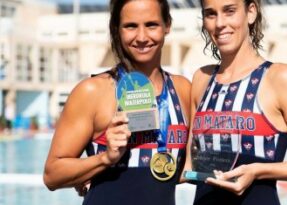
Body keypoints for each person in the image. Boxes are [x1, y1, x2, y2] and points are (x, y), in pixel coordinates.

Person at [182, 0, 287, 204]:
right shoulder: (201, 79)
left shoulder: (280, 78)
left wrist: (258, 171)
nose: (219, 23)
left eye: (229, 11)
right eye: (211, 14)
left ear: (251, 12)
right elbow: (190, 167)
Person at [43, 0, 191, 204]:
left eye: (151, 25)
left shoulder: (183, 89)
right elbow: (52, 175)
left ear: (167, 25)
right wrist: (104, 159)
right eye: (131, 26)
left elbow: (189, 166)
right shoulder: (92, 91)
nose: (141, 37)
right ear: (117, 29)